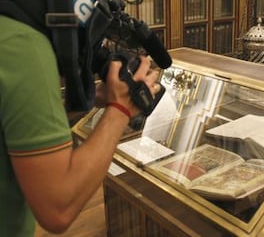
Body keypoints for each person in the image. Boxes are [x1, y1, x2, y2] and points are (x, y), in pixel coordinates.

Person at [0, 15, 162, 235]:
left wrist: (93, 98)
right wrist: (121, 108)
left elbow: (16, 121)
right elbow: (59, 208)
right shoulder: (21, 43)